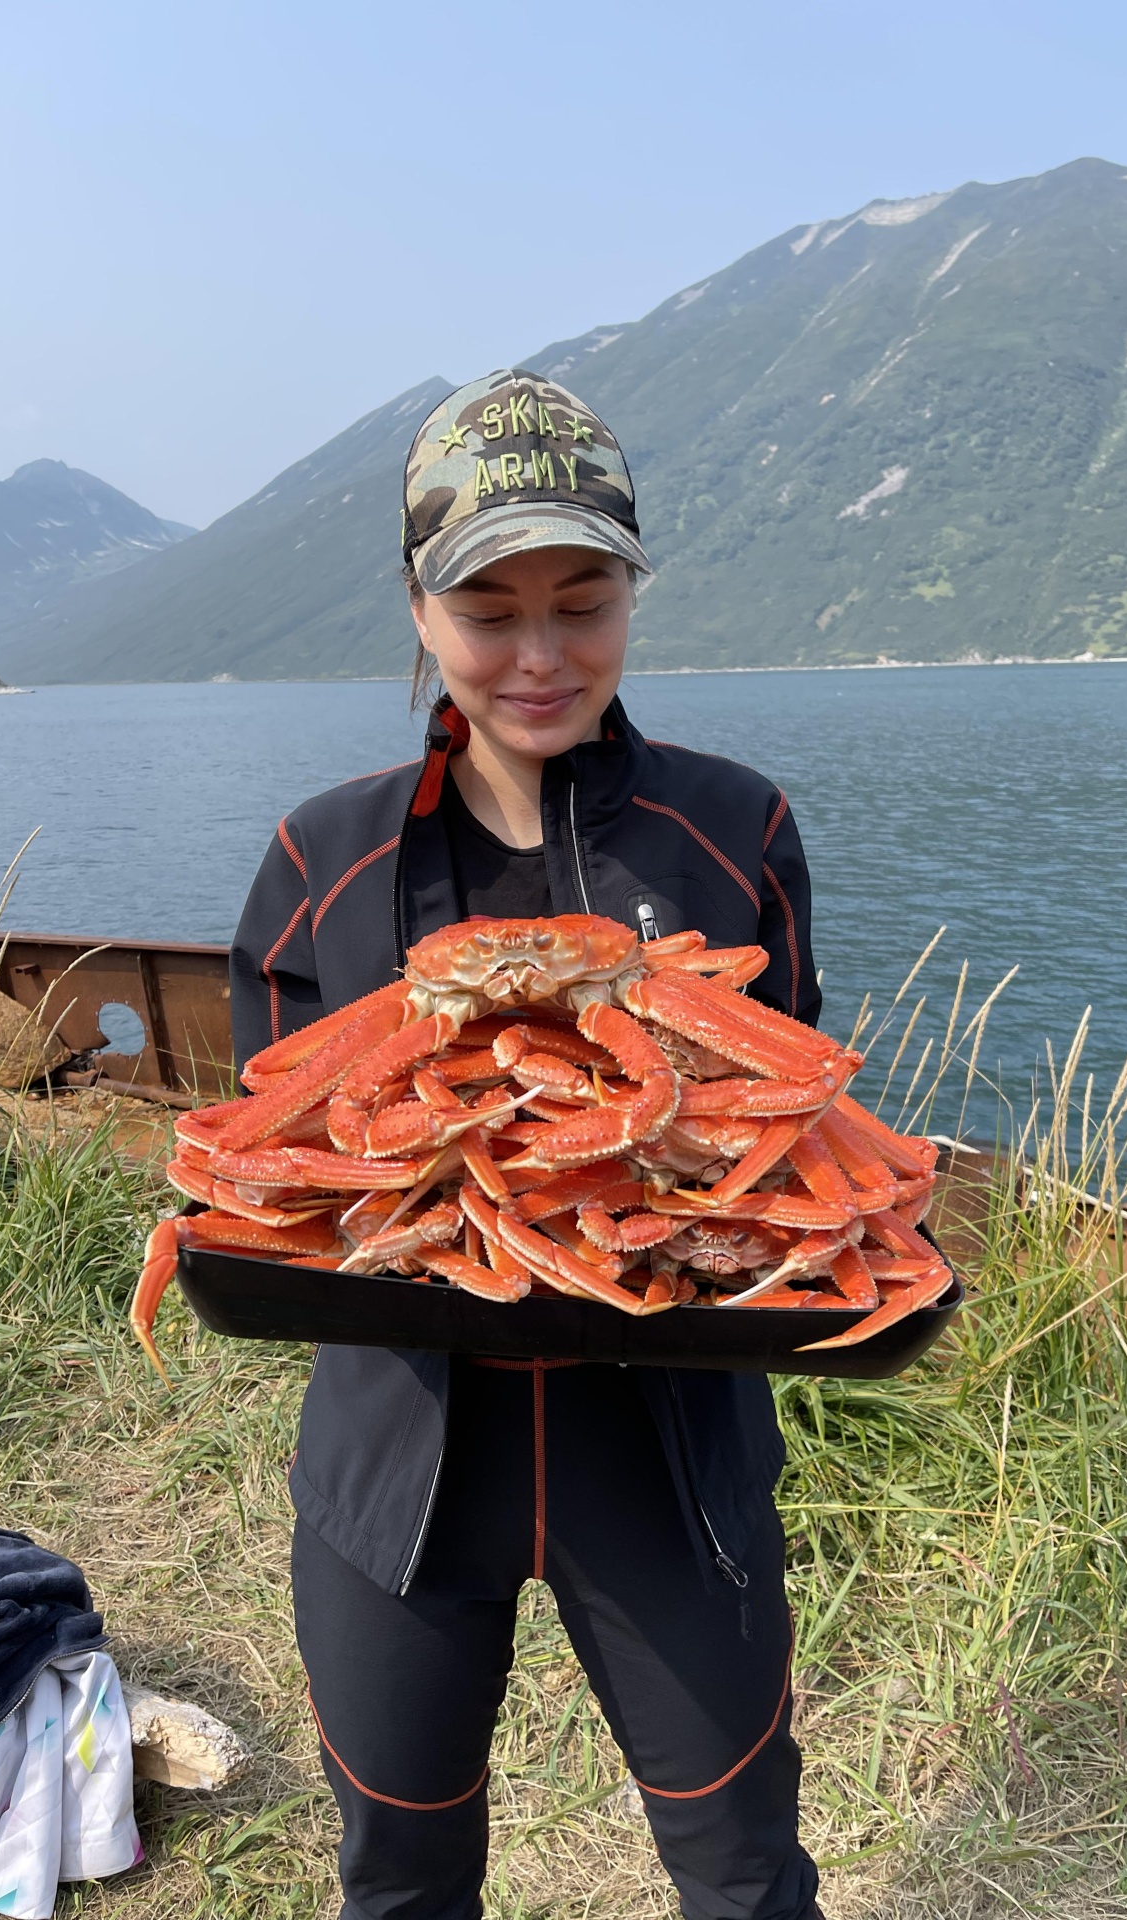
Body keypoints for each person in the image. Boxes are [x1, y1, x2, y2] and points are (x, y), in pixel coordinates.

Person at [230, 370, 827, 1920]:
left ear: (634, 590)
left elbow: (807, 1117)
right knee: (401, 1876)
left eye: (582, 599)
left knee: (746, 1866)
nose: (541, 653)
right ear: (419, 611)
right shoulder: (320, 857)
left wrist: (717, 1171)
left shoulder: (730, 829)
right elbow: (264, 1161)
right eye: (489, 609)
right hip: (398, 1463)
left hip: (675, 1451)